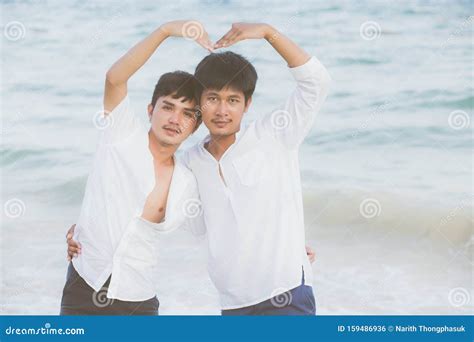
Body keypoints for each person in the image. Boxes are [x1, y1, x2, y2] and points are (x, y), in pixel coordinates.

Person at [65, 21, 326, 316]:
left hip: (286, 290)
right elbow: (115, 80)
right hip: (231, 303)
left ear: (247, 104)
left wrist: (268, 32)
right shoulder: (187, 163)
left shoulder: (274, 135)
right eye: (213, 99)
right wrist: (85, 230)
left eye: (232, 100)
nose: (222, 110)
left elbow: (315, 82)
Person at [60, 20, 212, 315]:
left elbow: (225, 226)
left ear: (195, 126)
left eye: (187, 114)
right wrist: (166, 31)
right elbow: (115, 78)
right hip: (84, 284)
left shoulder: (188, 181)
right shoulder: (121, 137)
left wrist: (290, 250)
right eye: (168, 106)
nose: (174, 119)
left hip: (138, 299)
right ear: (151, 110)